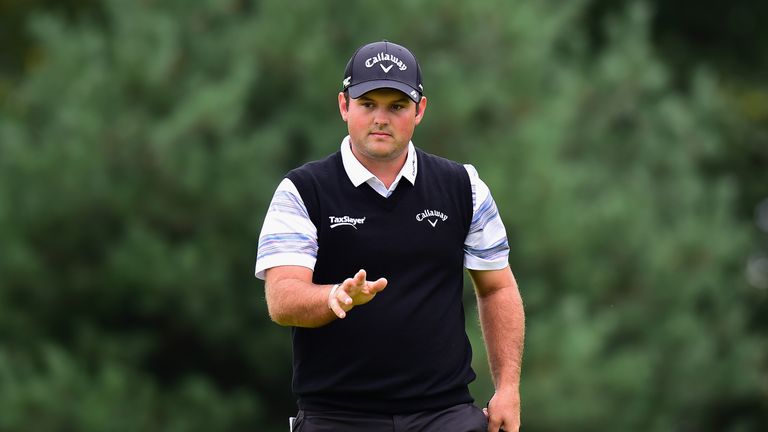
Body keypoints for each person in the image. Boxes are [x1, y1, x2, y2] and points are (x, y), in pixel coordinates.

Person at [255, 40, 524, 432]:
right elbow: (281, 298)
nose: (381, 118)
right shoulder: (301, 190)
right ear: (345, 106)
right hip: (337, 417)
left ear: (420, 111)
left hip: (445, 415)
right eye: (368, 104)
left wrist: (508, 388)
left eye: (396, 106)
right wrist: (334, 297)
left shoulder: (463, 187)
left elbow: (497, 287)